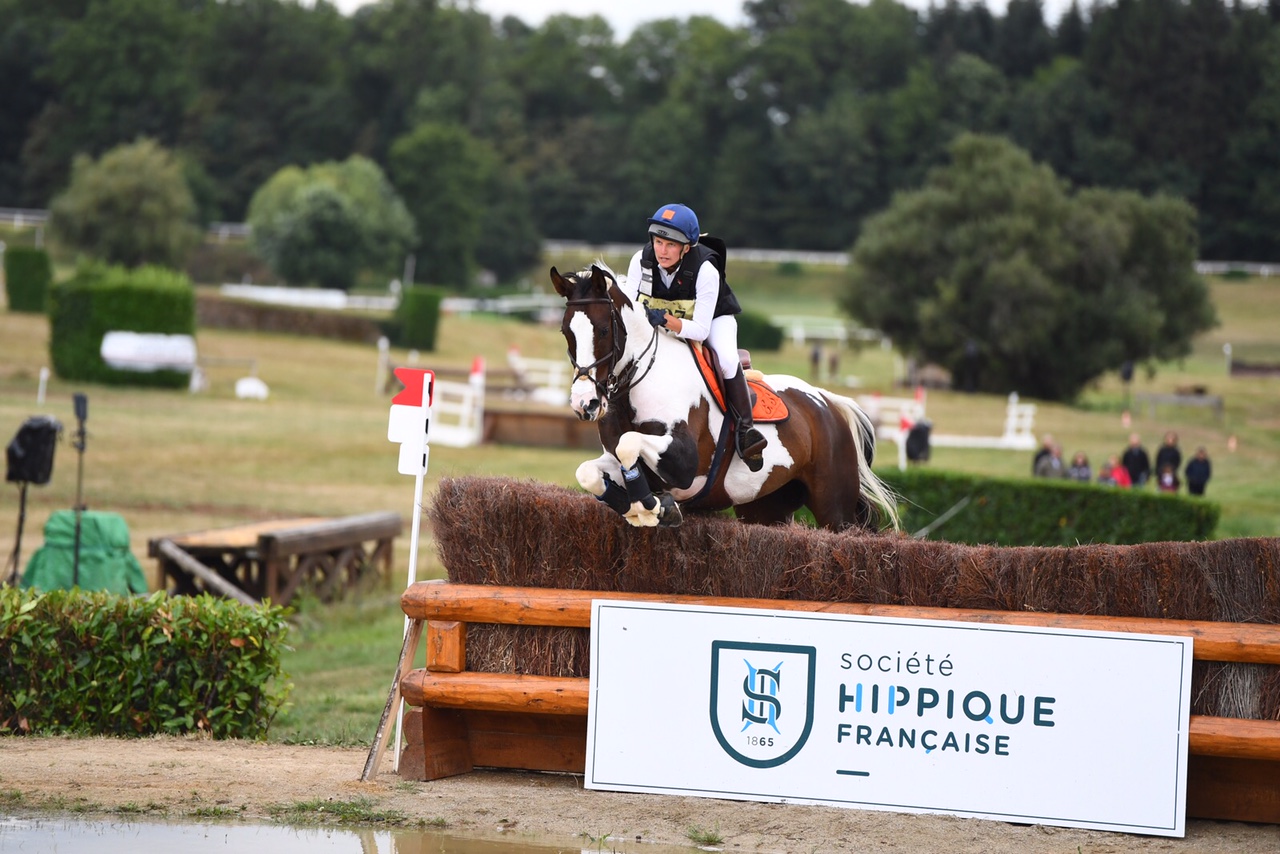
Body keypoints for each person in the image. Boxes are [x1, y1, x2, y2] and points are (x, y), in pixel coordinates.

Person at [626, 203, 766, 471]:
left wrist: (666, 319)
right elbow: (632, 309)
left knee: (725, 359)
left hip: (712, 320)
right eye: (658, 242)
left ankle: (746, 432)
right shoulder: (640, 262)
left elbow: (700, 331)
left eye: (670, 245)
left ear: (686, 247)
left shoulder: (705, 270)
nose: (662, 251)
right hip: (664, 320)